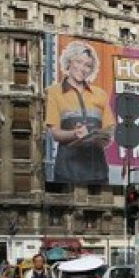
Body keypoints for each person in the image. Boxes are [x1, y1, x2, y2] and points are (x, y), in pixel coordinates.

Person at [45, 40, 115, 184]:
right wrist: (74, 134)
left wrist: (105, 137)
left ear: (91, 69)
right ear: (69, 62)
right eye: (79, 62)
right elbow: (55, 133)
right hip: (67, 173)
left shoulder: (100, 94)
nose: (82, 68)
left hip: (98, 173)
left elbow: (110, 129)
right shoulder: (53, 92)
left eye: (87, 65)